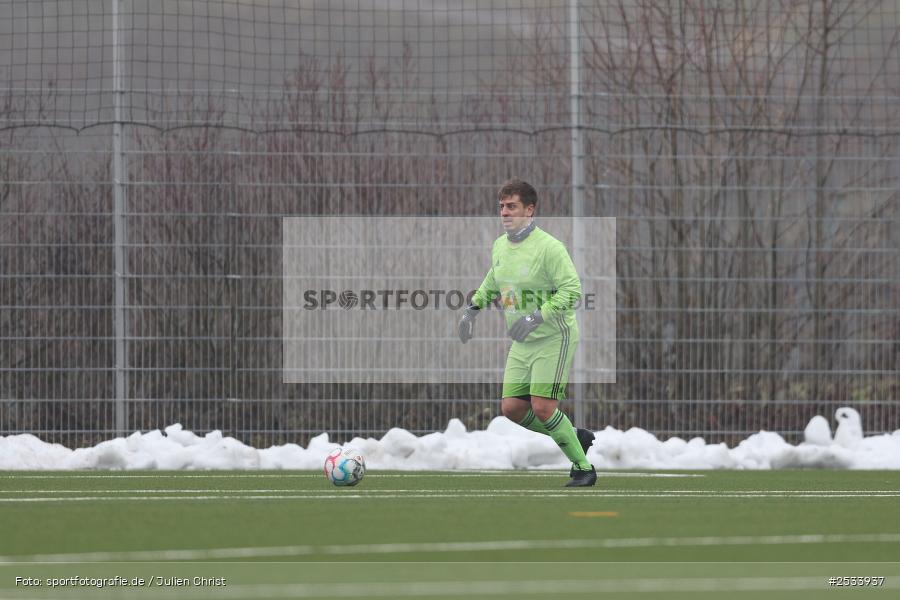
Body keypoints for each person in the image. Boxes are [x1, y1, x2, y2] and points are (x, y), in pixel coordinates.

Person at [458, 178, 596, 487]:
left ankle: (583, 467)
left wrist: (536, 317)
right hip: (522, 342)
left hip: (553, 338)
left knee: (543, 408)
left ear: (529, 210)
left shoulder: (549, 248)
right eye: (502, 207)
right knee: (512, 408)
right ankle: (573, 437)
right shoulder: (500, 246)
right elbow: (494, 278)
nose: (505, 213)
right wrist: (472, 310)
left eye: (512, 207)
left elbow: (572, 291)